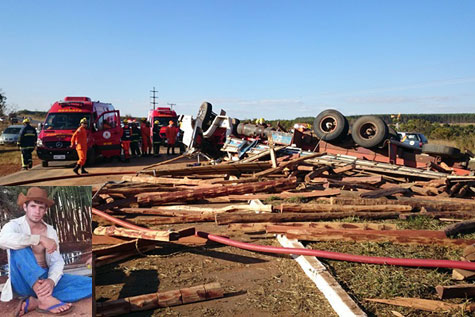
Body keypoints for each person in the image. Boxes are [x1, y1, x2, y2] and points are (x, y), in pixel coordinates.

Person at [0, 187, 92, 315]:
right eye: (33, 206)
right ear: (25, 207)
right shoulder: (14, 226)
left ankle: (37, 301)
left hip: (45, 278)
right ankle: (44, 298)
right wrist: (39, 239)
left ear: (45, 210)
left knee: (90, 284)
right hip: (22, 281)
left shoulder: (50, 231)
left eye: (41, 207)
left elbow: (57, 261)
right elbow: (3, 240)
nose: (37, 211)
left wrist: (51, 281)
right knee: (20, 245)